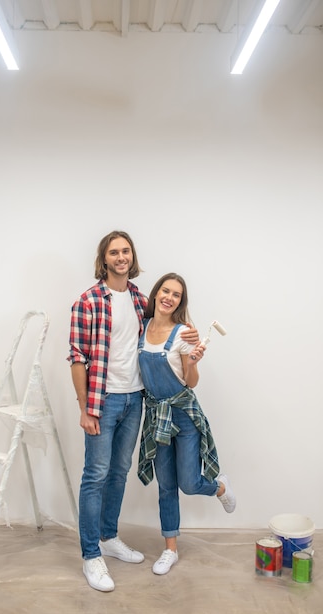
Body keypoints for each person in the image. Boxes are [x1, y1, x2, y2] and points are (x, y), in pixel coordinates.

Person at [67, 232, 198, 592]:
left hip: (135, 399)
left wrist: (191, 339)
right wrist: (84, 408)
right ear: (104, 259)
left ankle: (109, 537)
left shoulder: (142, 299)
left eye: (126, 251)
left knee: (119, 472)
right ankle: (91, 555)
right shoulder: (88, 302)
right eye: (114, 252)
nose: (121, 257)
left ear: (132, 256)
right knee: (95, 475)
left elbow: (167, 329)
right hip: (102, 401)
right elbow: (78, 359)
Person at [137, 272, 236, 576]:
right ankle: (170, 551)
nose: (169, 297)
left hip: (183, 413)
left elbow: (190, 382)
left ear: (181, 301)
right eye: (165, 291)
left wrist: (192, 362)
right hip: (157, 415)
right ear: (156, 294)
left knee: (189, 483)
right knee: (166, 486)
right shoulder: (142, 327)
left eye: (176, 295)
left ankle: (219, 487)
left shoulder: (183, 333)